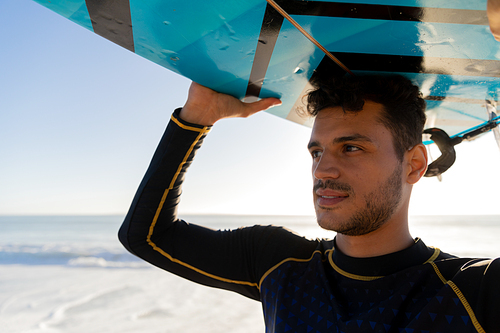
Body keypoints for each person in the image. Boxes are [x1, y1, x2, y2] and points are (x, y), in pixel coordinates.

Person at [119, 74, 499, 332]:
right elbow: (147, 236)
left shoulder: (473, 290)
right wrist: (196, 118)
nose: (323, 170)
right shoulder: (278, 263)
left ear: (414, 164)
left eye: (351, 147)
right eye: (316, 152)